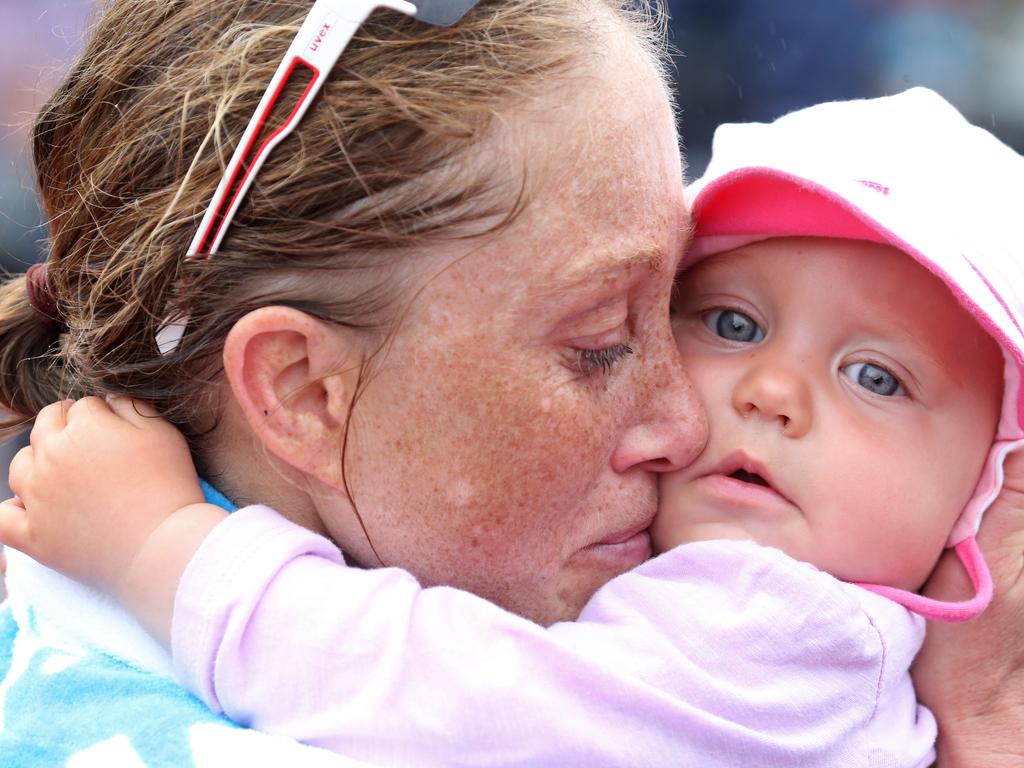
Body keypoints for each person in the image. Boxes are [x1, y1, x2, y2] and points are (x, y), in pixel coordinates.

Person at [4, 87, 1024, 766]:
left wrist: (164, 550)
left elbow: (460, 706)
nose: (771, 390)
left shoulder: (783, 628)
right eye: (729, 321)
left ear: (993, 485)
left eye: (876, 378)